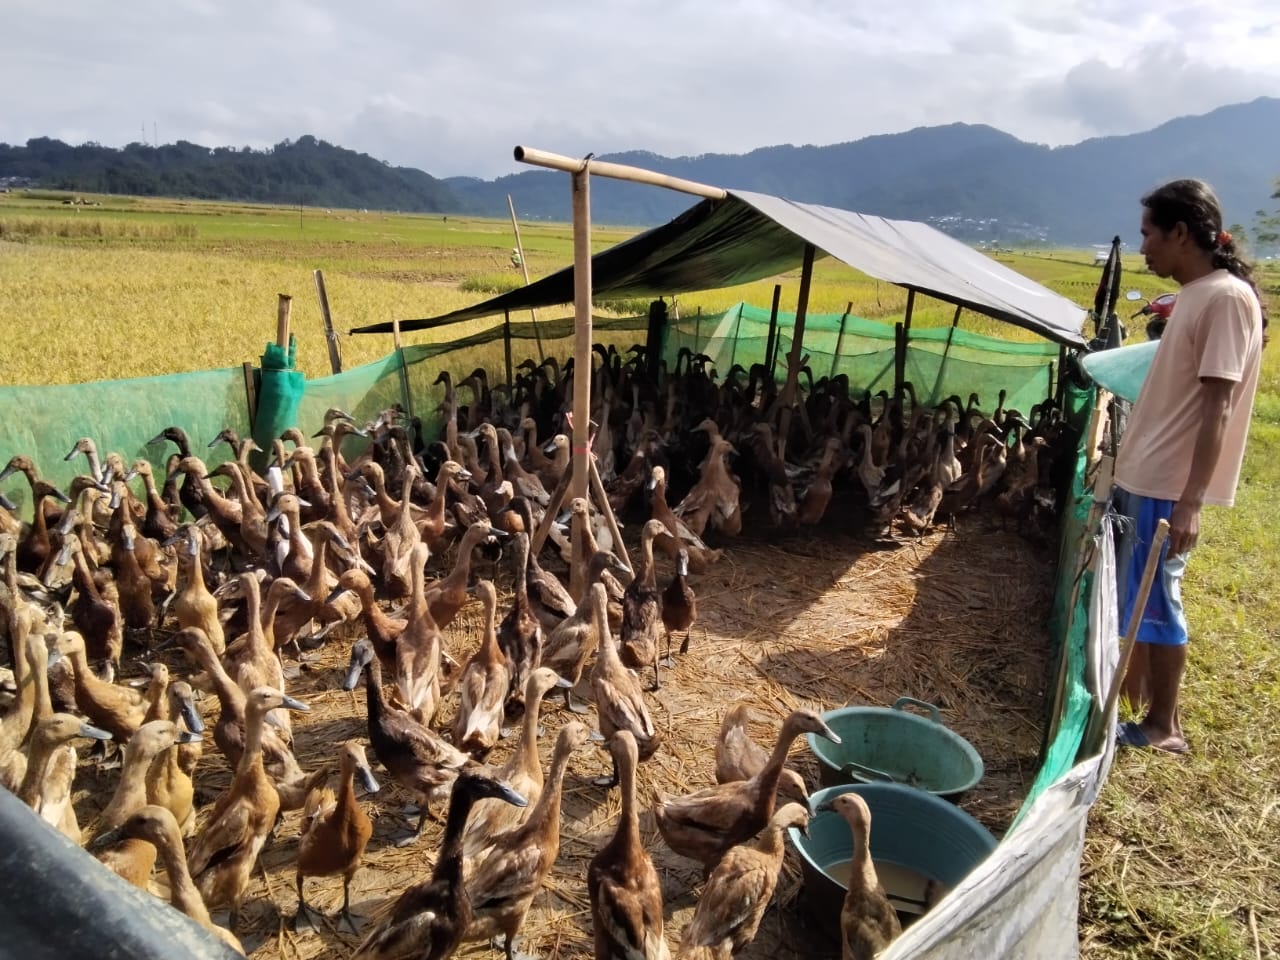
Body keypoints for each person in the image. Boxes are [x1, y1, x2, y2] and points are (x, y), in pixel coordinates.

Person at [1111, 179, 1266, 755]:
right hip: (1147, 472)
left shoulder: (1225, 298)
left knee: (1157, 599)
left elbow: (1217, 405)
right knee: (1140, 598)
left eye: (1151, 233)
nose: (1144, 247)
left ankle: (1163, 725)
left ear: (1181, 232)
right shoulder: (1198, 294)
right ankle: (1137, 700)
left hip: (1166, 480)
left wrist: (1191, 499)